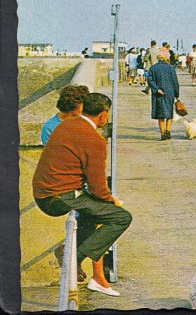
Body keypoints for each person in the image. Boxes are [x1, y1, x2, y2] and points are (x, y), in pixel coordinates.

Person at [32, 93, 132, 298]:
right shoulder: (94, 139)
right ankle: (71, 258)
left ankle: (96, 279)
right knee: (121, 217)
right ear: (103, 116)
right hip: (59, 197)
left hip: (44, 193)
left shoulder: (65, 124)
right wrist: (112, 200)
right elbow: (97, 187)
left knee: (90, 215)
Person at [146, 52, 180, 140]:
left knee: (160, 114)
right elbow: (175, 82)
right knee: (169, 113)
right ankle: (168, 131)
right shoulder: (170, 68)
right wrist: (177, 94)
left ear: (157, 59)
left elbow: (149, 80)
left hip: (158, 93)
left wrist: (156, 89)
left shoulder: (153, 68)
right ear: (165, 59)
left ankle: (162, 134)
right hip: (170, 92)